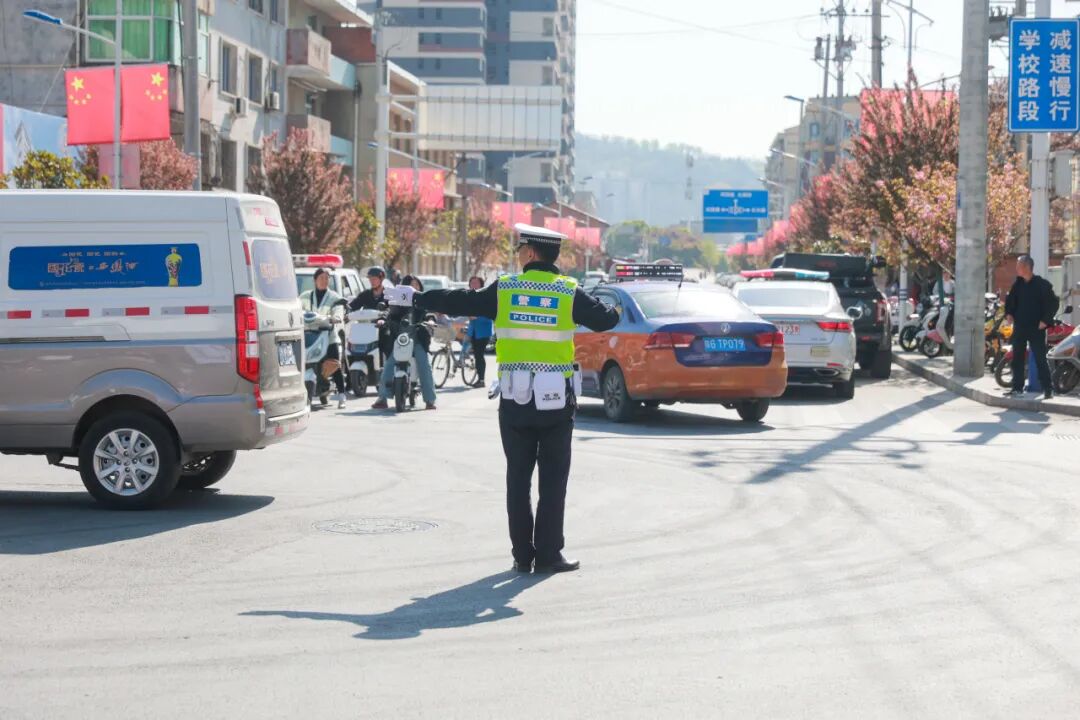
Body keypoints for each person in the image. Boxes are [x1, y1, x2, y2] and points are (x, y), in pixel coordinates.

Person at [415, 224, 618, 574]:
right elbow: (605, 320)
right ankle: (550, 554)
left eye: (520, 247)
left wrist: (419, 299)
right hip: (555, 402)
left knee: (517, 479)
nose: (517, 253)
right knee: (553, 481)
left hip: (515, 398)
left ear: (531, 253)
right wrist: (611, 306)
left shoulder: (506, 289)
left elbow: (461, 300)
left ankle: (523, 556)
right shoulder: (568, 292)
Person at [371, 275, 438, 411]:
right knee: (389, 364)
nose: (414, 288)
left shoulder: (423, 300)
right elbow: (388, 312)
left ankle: (430, 400)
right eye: (411, 285)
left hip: (418, 339)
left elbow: (429, 314)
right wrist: (382, 320)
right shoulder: (397, 301)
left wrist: (431, 321)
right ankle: (382, 398)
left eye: (417, 285)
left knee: (424, 365)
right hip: (400, 340)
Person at [1004, 254, 1059, 399]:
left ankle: (1048, 388)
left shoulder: (1042, 285)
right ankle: (1017, 388)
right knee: (1017, 358)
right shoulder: (1018, 284)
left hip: (1036, 328)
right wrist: (1009, 313)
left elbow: (1054, 303)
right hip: (1020, 327)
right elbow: (1010, 300)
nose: (1016, 268)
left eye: (1018, 266)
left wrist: (1045, 320)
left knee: (1040, 358)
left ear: (1027, 267)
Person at [300, 268, 348, 408]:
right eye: (321, 278)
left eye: (327, 278)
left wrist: (336, 318)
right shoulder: (304, 296)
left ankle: (342, 395)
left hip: (328, 336)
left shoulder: (334, 297)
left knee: (334, 364)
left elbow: (339, 311)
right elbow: (297, 308)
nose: (324, 280)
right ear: (315, 280)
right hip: (309, 335)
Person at [464, 276, 494, 388]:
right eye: (471, 283)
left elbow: (490, 314)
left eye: (476, 283)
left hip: (484, 331)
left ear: (481, 284)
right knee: (476, 355)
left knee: (479, 354)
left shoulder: (486, 296)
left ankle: (481, 379)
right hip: (473, 331)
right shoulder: (469, 296)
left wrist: (477, 317)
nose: (473, 285)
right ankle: (479, 378)